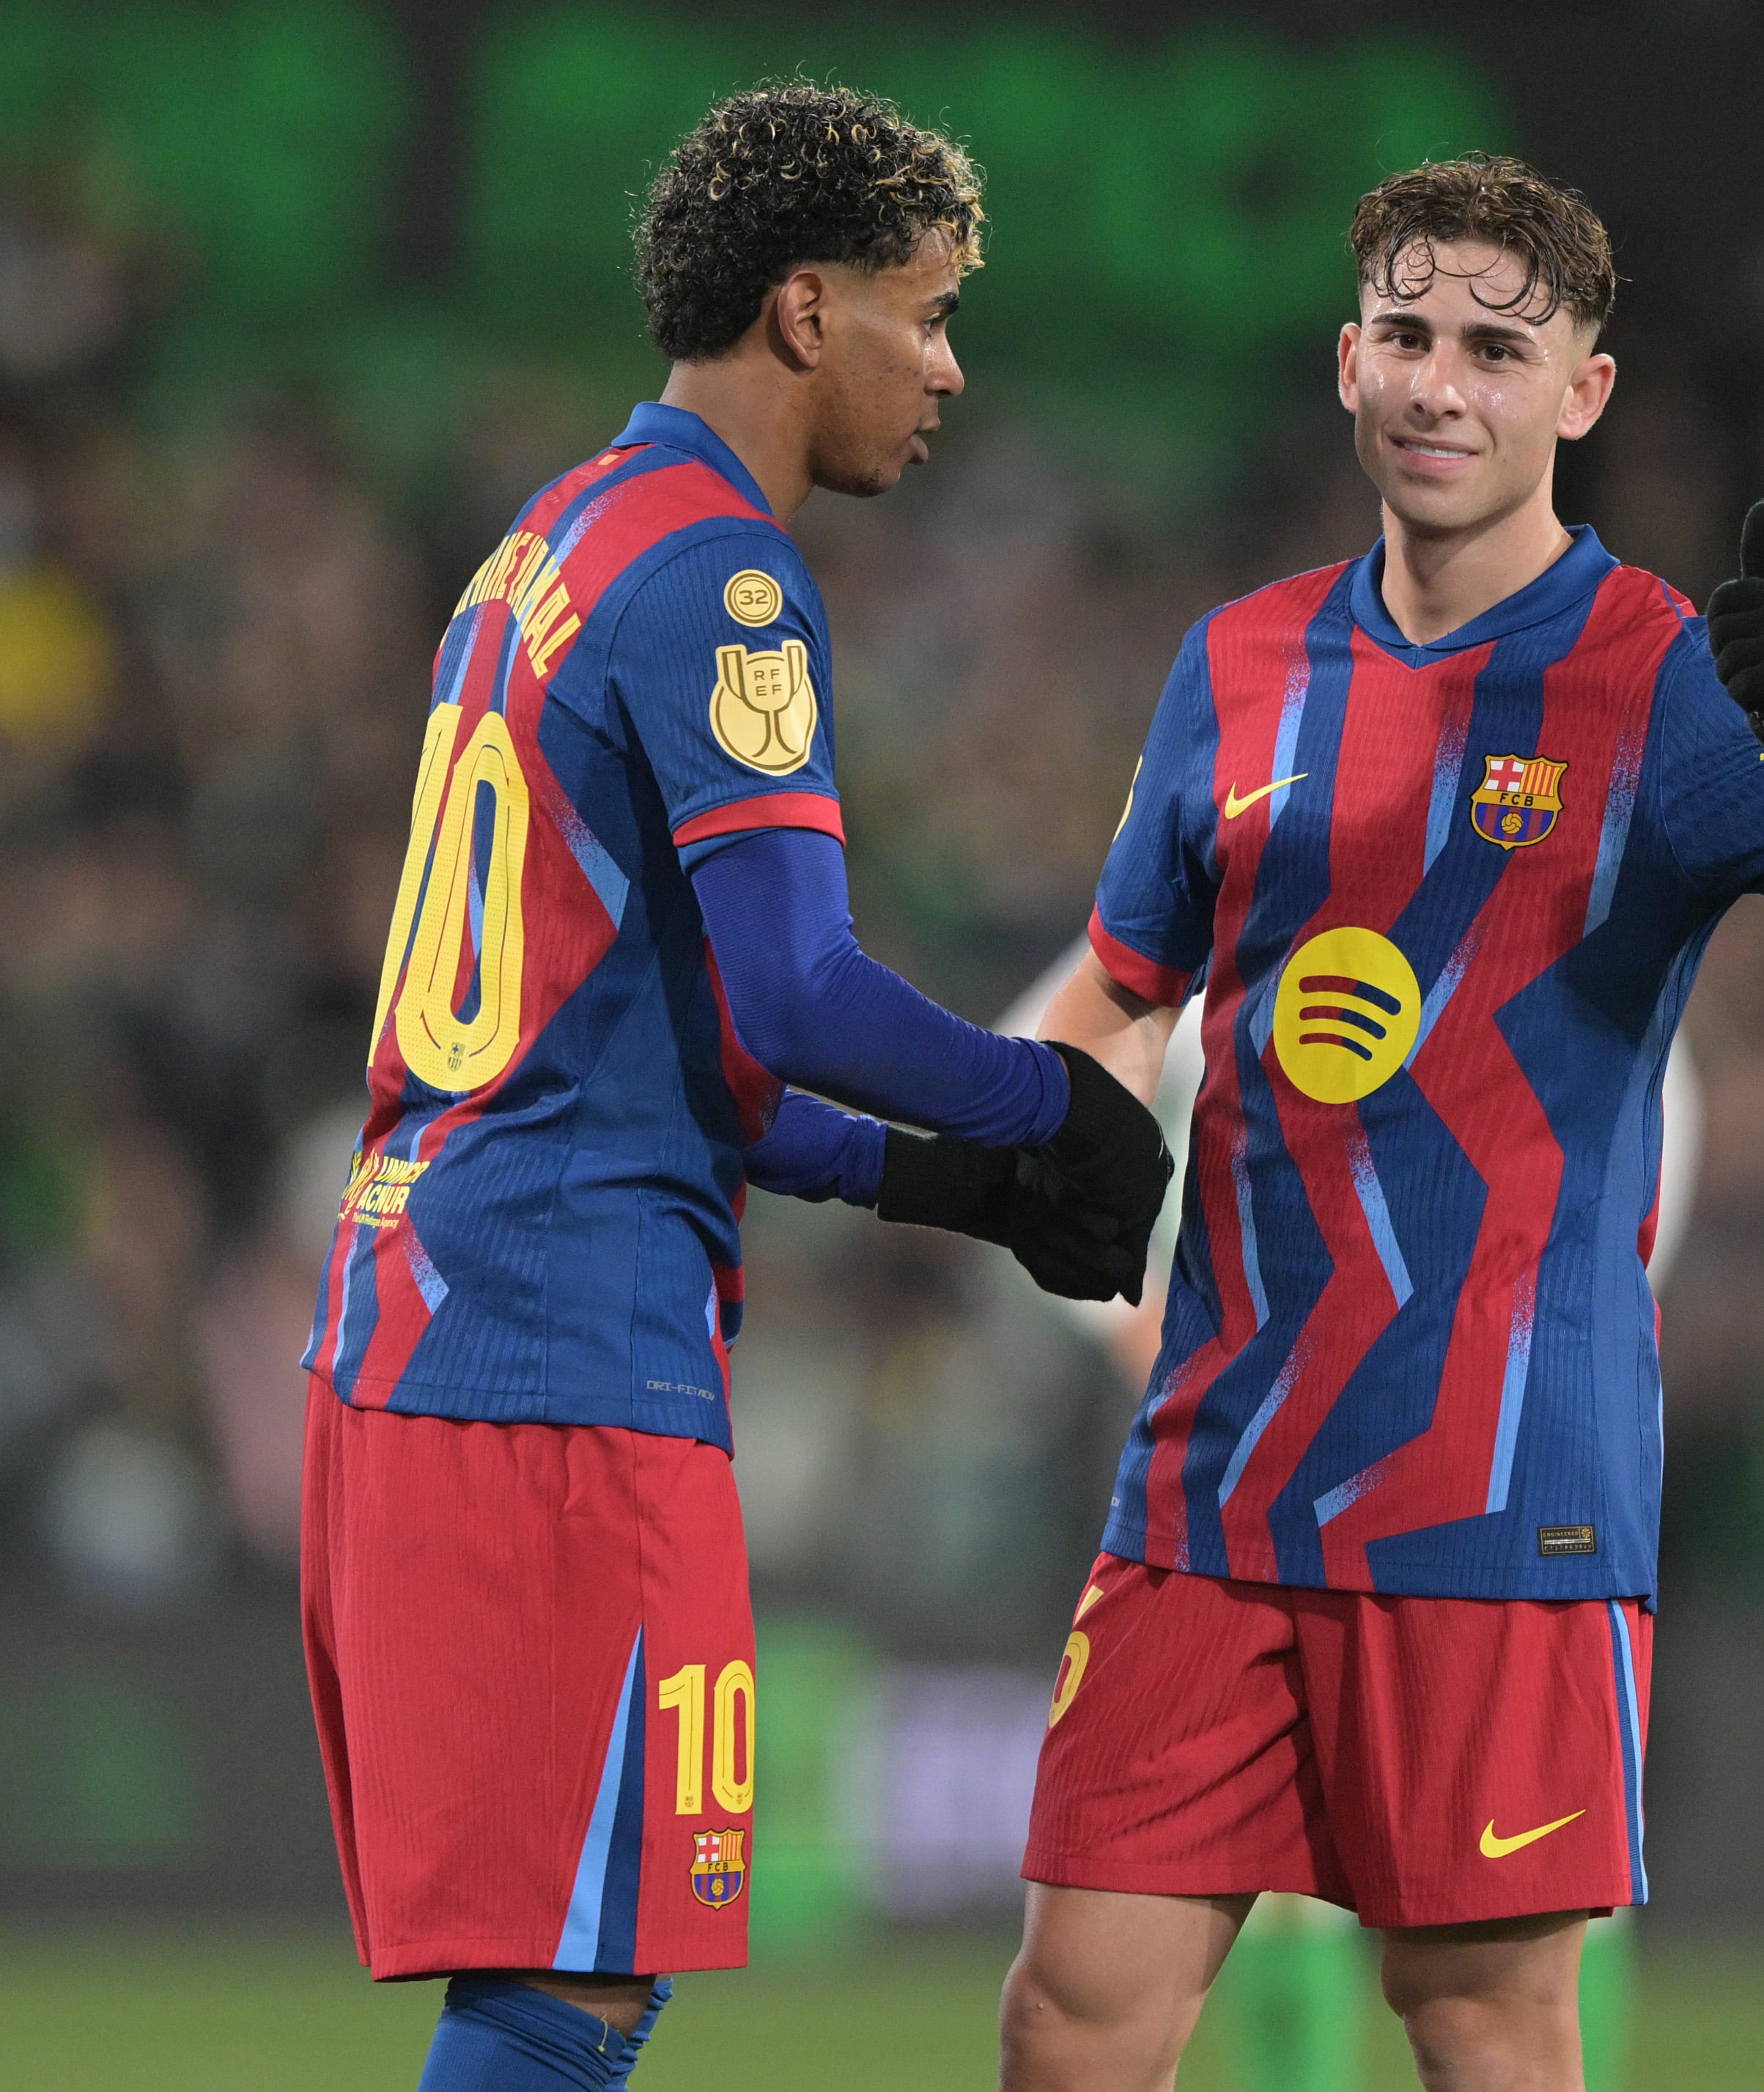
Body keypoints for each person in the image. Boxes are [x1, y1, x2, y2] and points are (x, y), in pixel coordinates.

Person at [999, 155, 1764, 2091]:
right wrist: (1035, 1151)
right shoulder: (1239, 661)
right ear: (1344, 361)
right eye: (1407, 337)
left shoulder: (1658, 682)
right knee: (1068, 2016)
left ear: (1580, 393)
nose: (1439, 385)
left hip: (1499, 1495)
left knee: (1481, 2025)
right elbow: (1113, 985)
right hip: (1211, 1480)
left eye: (1492, 348)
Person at [297, 84, 1167, 2092]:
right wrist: (1048, 1107)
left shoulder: (549, 545)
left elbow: (673, 1058)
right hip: (555, 1352)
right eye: (925, 312)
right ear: (802, 311)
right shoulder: (721, 579)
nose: (946, 371)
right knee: (567, 1990)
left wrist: (947, 1194)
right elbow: (797, 993)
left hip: (432, 1314)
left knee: (561, 1966)